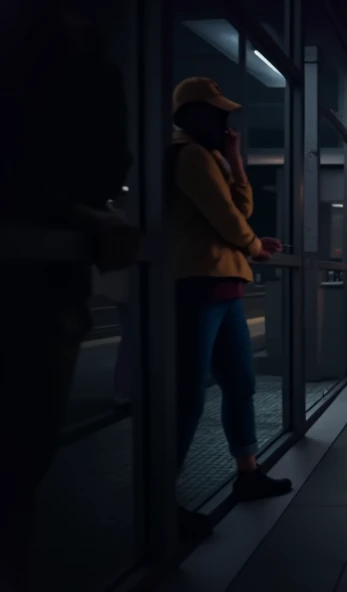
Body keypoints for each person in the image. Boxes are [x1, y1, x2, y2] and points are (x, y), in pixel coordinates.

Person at [1, 1, 139, 589]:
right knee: (17, 467)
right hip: (38, 291)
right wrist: (75, 210)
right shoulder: (72, 45)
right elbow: (106, 165)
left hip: (42, 278)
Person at [168, 76, 293, 541]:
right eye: (216, 112)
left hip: (223, 289)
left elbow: (238, 206)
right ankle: (163, 500)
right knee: (188, 397)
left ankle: (248, 473)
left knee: (240, 382)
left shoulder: (212, 157)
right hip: (197, 285)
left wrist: (237, 160)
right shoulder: (189, 155)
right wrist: (253, 244)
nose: (224, 120)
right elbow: (228, 219)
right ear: (192, 114)